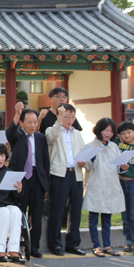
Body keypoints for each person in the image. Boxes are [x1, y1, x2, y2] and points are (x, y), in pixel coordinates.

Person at [6, 102, 49, 259]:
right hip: (20, 179)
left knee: (36, 215)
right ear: (22, 123)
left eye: (35, 122)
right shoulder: (17, 136)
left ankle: (34, 247)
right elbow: (10, 132)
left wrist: (46, 185)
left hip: (37, 178)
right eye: (29, 122)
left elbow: (45, 161)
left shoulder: (41, 138)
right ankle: (16, 245)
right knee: (19, 213)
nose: (32, 125)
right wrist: (17, 113)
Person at [46, 104, 86, 256]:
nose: (70, 120)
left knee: (75, 210)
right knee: (57, 210)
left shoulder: (77, 134)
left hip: (76, 174)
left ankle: (73, 244)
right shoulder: (52, 130)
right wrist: (59, 119)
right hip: (59, 174)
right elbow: (50, 138)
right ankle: (55, 244)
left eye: (72, 117)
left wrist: (84, 162)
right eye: (67, 116)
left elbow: (83, 152)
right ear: (59, 116)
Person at [82, 118, 126, 257]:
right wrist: (92, 155)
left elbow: (118, 167)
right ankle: (96, 245)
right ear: (99, 130)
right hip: (96, 185)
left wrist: (123, 167)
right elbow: (88, 166)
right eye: (106, 130)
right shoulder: (91, 146)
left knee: (107, 218)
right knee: (94, 218)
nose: (108, 133)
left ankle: (107, 245)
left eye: (111, 131)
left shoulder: (114, 147)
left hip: (110, 185)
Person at [115, 121, 134, 256]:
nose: (126, 135)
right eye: (123, 133)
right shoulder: (118, 145)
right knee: (125, 215)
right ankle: (129, 241)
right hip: (121, 183)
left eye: (129, 132)